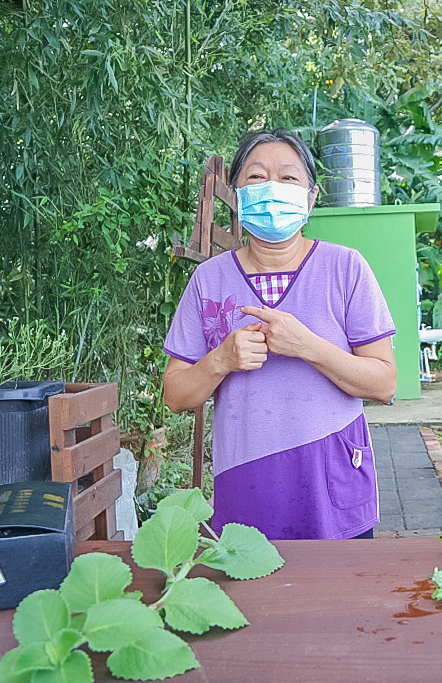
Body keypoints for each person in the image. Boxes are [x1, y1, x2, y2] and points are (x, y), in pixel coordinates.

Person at [162, 129, 397, 540]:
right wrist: (221, 359)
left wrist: (309, 347)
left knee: (340, 595)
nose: (272, 188)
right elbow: (175, 395)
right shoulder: (208, 280)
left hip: (331, 474)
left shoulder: (346, 268)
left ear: (311, 197)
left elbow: (385, 383)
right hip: (246, 477)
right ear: (236, 196)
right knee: (252, 594)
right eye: (256, 178)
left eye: (288, 178)